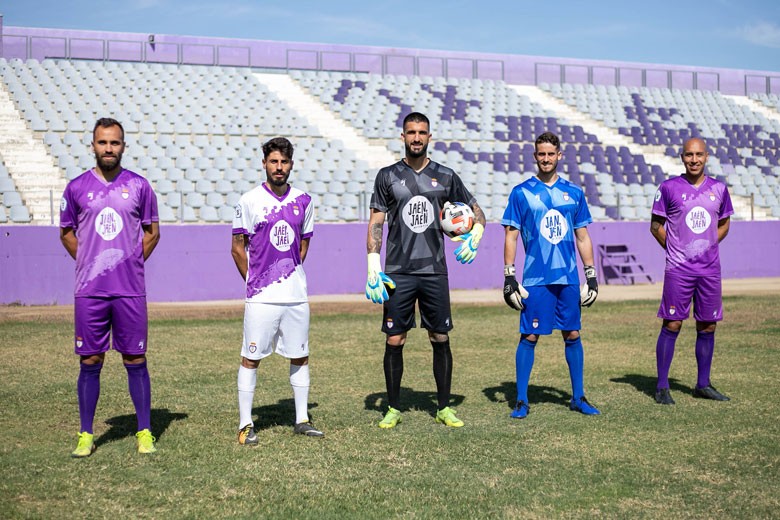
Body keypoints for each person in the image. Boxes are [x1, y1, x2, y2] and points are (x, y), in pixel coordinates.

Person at [365, 111, 485, 429]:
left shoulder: (445, 176)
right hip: (398, 270)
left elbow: (477, 212)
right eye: (411, 132)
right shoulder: (387, 176)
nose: (416, 137)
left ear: (430, 137)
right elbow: (376, 222)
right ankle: (392, 408)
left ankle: (443, 408)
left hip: (434, 269)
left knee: (440, 335)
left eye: (422, 132)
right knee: (395, 339)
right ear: (402, 136)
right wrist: (372, 265)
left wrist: (476, 233)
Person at [60, 118, 160, 457]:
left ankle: (144, 430)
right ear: (93, 145)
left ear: (123, 146)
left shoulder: (140, 186)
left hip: (129, 289)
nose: (108, 149)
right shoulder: (75, 188)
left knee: (136, 357)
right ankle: (86, 433)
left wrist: (128, 262)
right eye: (102, 143)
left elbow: (152, 233)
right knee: (90, 359)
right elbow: (66, 233)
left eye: (114, 143)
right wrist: (89, 263)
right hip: (90, 290)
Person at [501, 131, 601, 419]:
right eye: (541, 154)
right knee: (530, 335)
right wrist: (509, 277)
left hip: (568, 277)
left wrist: (591, 275)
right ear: (535, 156)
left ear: (559, 156)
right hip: (535, 278)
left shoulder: (574, 193)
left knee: (572, 333)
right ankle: (521, 400)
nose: (546, 158)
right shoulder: (521, 192)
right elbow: (511, 235)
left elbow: (582, 236)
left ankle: (578, 397)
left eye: (550, 154)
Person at [231, 137, 323, 444]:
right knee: (251, 357)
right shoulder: (249, 201)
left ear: (291, 165)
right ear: (265, 164)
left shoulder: (304, 201)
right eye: (273, 161)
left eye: (284, 162)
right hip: (261, 297)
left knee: (300, 356)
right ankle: (245, 424)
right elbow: (236, 248)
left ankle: (301, 419)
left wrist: (287, 273)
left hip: (295, 295)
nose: (278, 167)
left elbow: (304, 244)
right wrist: (255, 281)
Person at [650, 137, 734, 405]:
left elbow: (724, 224)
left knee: (707, 325)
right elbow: (655, 226)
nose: (694, 159)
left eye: (698, 155)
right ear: (682, 157)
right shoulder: (668, 188)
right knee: (672, 322)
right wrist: (677, 250)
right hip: (678, 270)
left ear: (706, 157)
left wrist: (703, 247)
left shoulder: (719, 189)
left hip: (709, 270)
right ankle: (662, 386)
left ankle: (703, 384)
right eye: (689, 155)